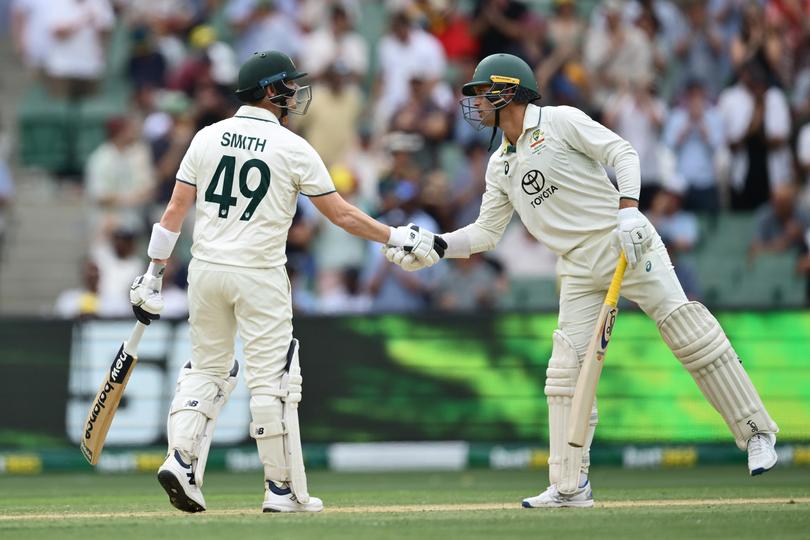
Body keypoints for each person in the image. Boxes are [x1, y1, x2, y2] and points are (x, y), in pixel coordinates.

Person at [384, 53, 779, 508]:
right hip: (576, 267)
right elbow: (486, 234)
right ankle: (570, 485)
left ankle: (757, 434)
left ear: (509, 91)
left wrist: (629, 211)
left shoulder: (560, 121)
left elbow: (623, 152)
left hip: (625, 245)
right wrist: (436, 245)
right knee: (565, 371)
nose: (475, 103)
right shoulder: (501, 165)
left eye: (481, 92)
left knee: (688, 333)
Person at [127, 50, 445, 514]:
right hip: (259, 274)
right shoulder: (291, 147)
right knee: (272, 382)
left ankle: (180, 459)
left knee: (207, 371)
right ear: (270, 91)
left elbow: (174, 210)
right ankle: (280, 491)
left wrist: (153, 274)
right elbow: (342, 215)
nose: (295, 94)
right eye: (289, 86)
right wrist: (396, 234)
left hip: (206, 271)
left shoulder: (207, 136)